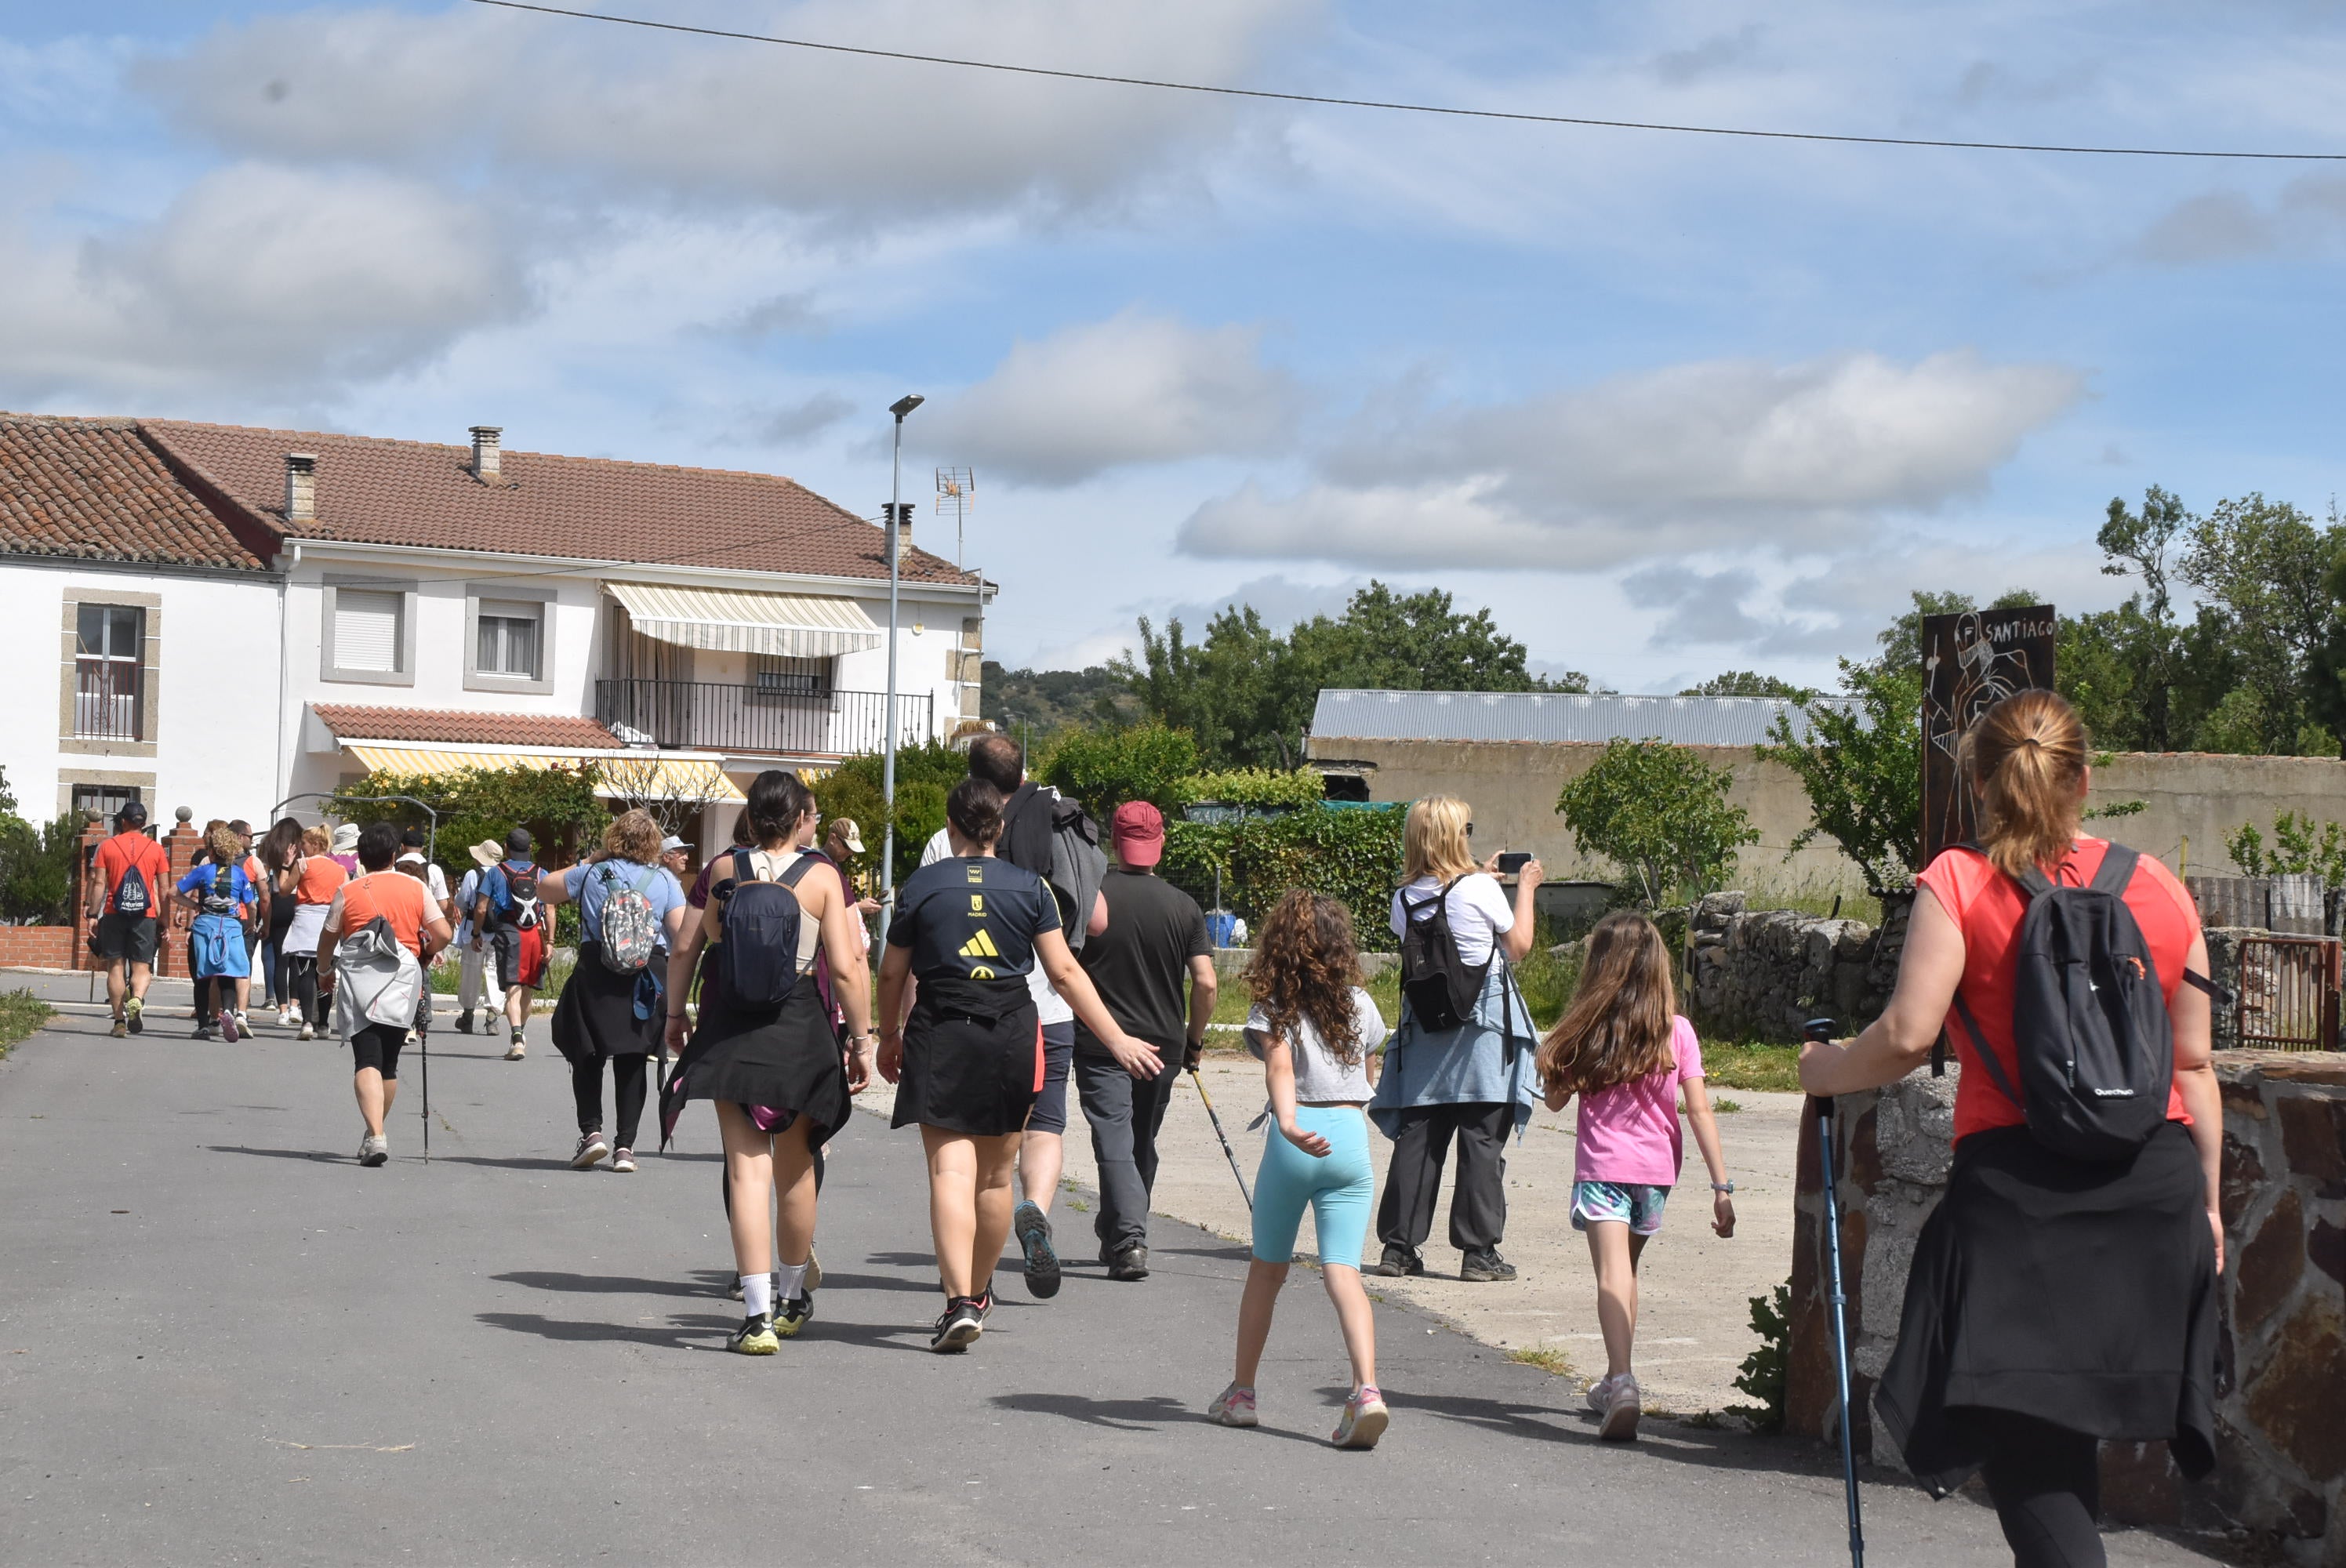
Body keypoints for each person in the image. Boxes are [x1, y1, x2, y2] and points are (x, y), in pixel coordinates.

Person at [1799, 690, 2220, 1568]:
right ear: (2085, 779)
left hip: (2021, 1197)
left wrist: (1827, 1070)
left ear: (1980, 782)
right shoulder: (2162, 888)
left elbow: (1910, 1033)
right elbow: (2192, 1065)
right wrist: (2210, 1208)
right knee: (2059, 1440)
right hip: (2155, 1191)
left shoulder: (1957, 880)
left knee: (2030, 1448)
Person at [879, 777, 1157, 1352]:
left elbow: (891, 972)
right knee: (998, 1174)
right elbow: (1064, 973)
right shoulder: (1032, 887)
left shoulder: (923, 886)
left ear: (950, 825)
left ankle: (959, 1300)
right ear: (999, 830)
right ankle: (979, 1292)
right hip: (1012, 1032)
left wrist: (887, 1034)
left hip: (942, 1027)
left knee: (950, 1171)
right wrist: (1118, 1038)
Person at [664, 771, 875, 1355]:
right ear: (802, 819)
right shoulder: (824, 878)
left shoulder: (724, 870)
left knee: (746, 1171)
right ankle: (790, 1298)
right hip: (802, 1029)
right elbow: (850, 965)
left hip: (733, 1028)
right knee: (796, 1168)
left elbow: (690, 943)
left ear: (751, 820)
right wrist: (861, 1041)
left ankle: (755, 1316)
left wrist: (674, 1015)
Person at [917, 734, 1106, 1301]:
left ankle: (966, 1285)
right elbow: (1095, 922)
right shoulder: (1055, 823)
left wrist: (892, 1029)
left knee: (960, 1160)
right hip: (1043, 1014)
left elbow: (913, 947)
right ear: (1022, 775)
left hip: (959, 1016)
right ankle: (1036, 1208)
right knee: (1042, 1127)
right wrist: (1116, 1036)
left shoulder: (940, 845)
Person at [1535, 911, 1735, 1443]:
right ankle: (1611, 1377)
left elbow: (1554, 1103)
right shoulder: (1678, 1030)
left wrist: (1555, 1061)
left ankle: (1623, 1382)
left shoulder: (1587, 1028)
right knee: (1628, 1274)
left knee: (1610, 1275)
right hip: (1655, 1174)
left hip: (1603, 1169)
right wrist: (1721, 1187)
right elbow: (1699, 1112)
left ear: (1599, 966)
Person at [1207, 888, 1390, 1448]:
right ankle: (1367, 1390)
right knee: (1344, 1270)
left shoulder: (1275, 1006)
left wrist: (1287, 1123)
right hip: (1349, 1138)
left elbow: (1280, 1067)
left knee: (1267, 1269)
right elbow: (1371, 1063)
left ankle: (1242, 1393)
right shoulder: (1360, 1002)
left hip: (1298, 1138)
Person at [1369, 795, 1543, 1282]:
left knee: (1420, 1136)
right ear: (1452, 836)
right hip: (1481, 1032)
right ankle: (1477, 1252)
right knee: (1481, 1139)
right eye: (1466, 827)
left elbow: (1444, 904)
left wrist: (1477, 879)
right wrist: (1524, 888)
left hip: (1426, 1032)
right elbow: (1518, 947)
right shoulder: (1479, 892)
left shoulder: (1401, 900)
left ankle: (1398, 1248)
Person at [1073, 800, 1217, 1279]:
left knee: (1114, 1139)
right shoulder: (1185, 906)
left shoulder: (1092, 897)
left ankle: (1129, 1239)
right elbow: (1207, 982)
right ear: (1160, 843)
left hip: (1102, 1041)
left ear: (1114, 842)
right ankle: (1120, 1231)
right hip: (1164, 1045)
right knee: (1140, 1140)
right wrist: (1194, 1041)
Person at [541, 810, 688, 1172]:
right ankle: (626, 1149)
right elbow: (680, 935)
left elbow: (544, 887)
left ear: (614, 838)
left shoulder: (591, 873)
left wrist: (592, 858)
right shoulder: (665, 880)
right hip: (644, 977)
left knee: (587, 1054)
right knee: (633, 1059)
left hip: (596, 971)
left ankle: (592, 1134)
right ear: (654, 843)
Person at [316, 822, 452, 1167]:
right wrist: (426, 951)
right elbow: (444, 933)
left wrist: (323, 972)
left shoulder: (348, 891)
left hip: (360, 976)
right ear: (394, 855)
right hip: (403, 978)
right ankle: (374, 1132)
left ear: (360, 857)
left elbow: (328, 938)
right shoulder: (415, 887)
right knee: (388, 1063)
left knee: (366, 1059)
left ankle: (376, 1134)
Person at [85, 800, 171, 1037]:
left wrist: (93, 914)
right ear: (143, 824)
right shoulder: (156, 849)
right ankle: (138, 999)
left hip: (114, 912)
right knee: (141, 966)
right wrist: (164, 919)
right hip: (145, 915)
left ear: (123, 821)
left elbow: (99, 883)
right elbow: (163, 889)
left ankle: (119, 1021)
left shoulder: (107, 846)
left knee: (115, 966)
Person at [176, 825, 260, 1042]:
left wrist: (193, 906)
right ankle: (229, 1012)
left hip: (205, 924)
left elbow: (172, 893)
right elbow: (251, 906)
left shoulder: (203, 871)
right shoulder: (240, 874)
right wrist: (250, 925)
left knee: (201, 977)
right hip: (231, 926)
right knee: (228, 973)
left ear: (211, 851)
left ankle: (203, 1026)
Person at [474, 827, 547, 1060]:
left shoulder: (496, 873)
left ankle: (516, 1039)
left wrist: (477, 933)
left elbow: (482, 907)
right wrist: (552, 942)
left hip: (509, 932)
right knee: (527, 989)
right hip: (535, 935)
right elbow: (551, 909)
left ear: (506, 848)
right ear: (531, 849)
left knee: (512, 989)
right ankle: (521, 1032)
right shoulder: (541, 873)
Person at [281, 826, 347, 1041]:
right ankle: (324, 1023)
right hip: (330, 921)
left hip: (306, 921)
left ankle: (307, 1021)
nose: (301, 847)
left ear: (315, 844)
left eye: (304, 843)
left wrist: (285, 864)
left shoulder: (303, 865)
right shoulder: (340, 870)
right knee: (326, 974)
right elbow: (347, 897)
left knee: (305, 973)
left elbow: (283, 889)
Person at [452, 840, 505, 1034]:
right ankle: (492, 1017)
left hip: (475, 929)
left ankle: (467, 1016)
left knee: (471, 972)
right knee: (495, 971)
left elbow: (462, 900)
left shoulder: (472, 875)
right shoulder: (503, 875)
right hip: (499, 930)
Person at [257, 818, 304, 1023]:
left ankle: (282, 1011)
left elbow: (264, 880)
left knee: (280, 959)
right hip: (297, 901)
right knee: (296, 959)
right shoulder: (301, 850)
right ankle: (295, 1006)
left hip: (278, 901)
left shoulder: (271, 848)